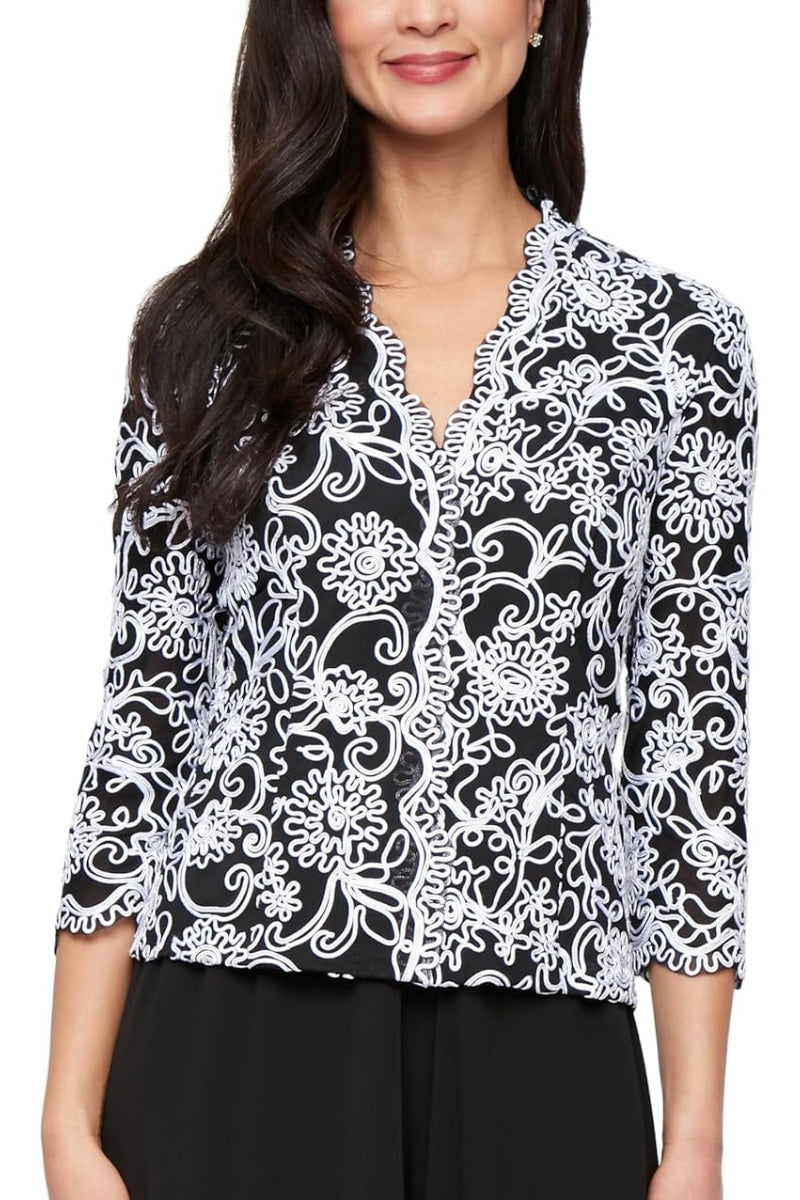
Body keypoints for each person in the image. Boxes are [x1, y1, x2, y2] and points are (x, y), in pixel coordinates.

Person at [41, 2, 758, 1198]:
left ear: (539, 10)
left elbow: (689, 745)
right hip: (237, 1020)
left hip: (541, 1040)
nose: (424, 12)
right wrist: (68, 1123)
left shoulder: (673, 347)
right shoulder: (212, 332)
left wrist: (694, 1143)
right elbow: (145, 716)